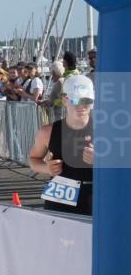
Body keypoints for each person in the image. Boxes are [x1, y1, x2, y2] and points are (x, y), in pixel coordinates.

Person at [29, 75, 93, 216]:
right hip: (59, 197)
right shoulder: (47, 132)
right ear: (65, 100)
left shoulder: (106, 132)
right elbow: (33, 159)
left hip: (94, 197)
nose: (81, 106)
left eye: (86, 101)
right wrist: (46, 168)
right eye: (75, 100)